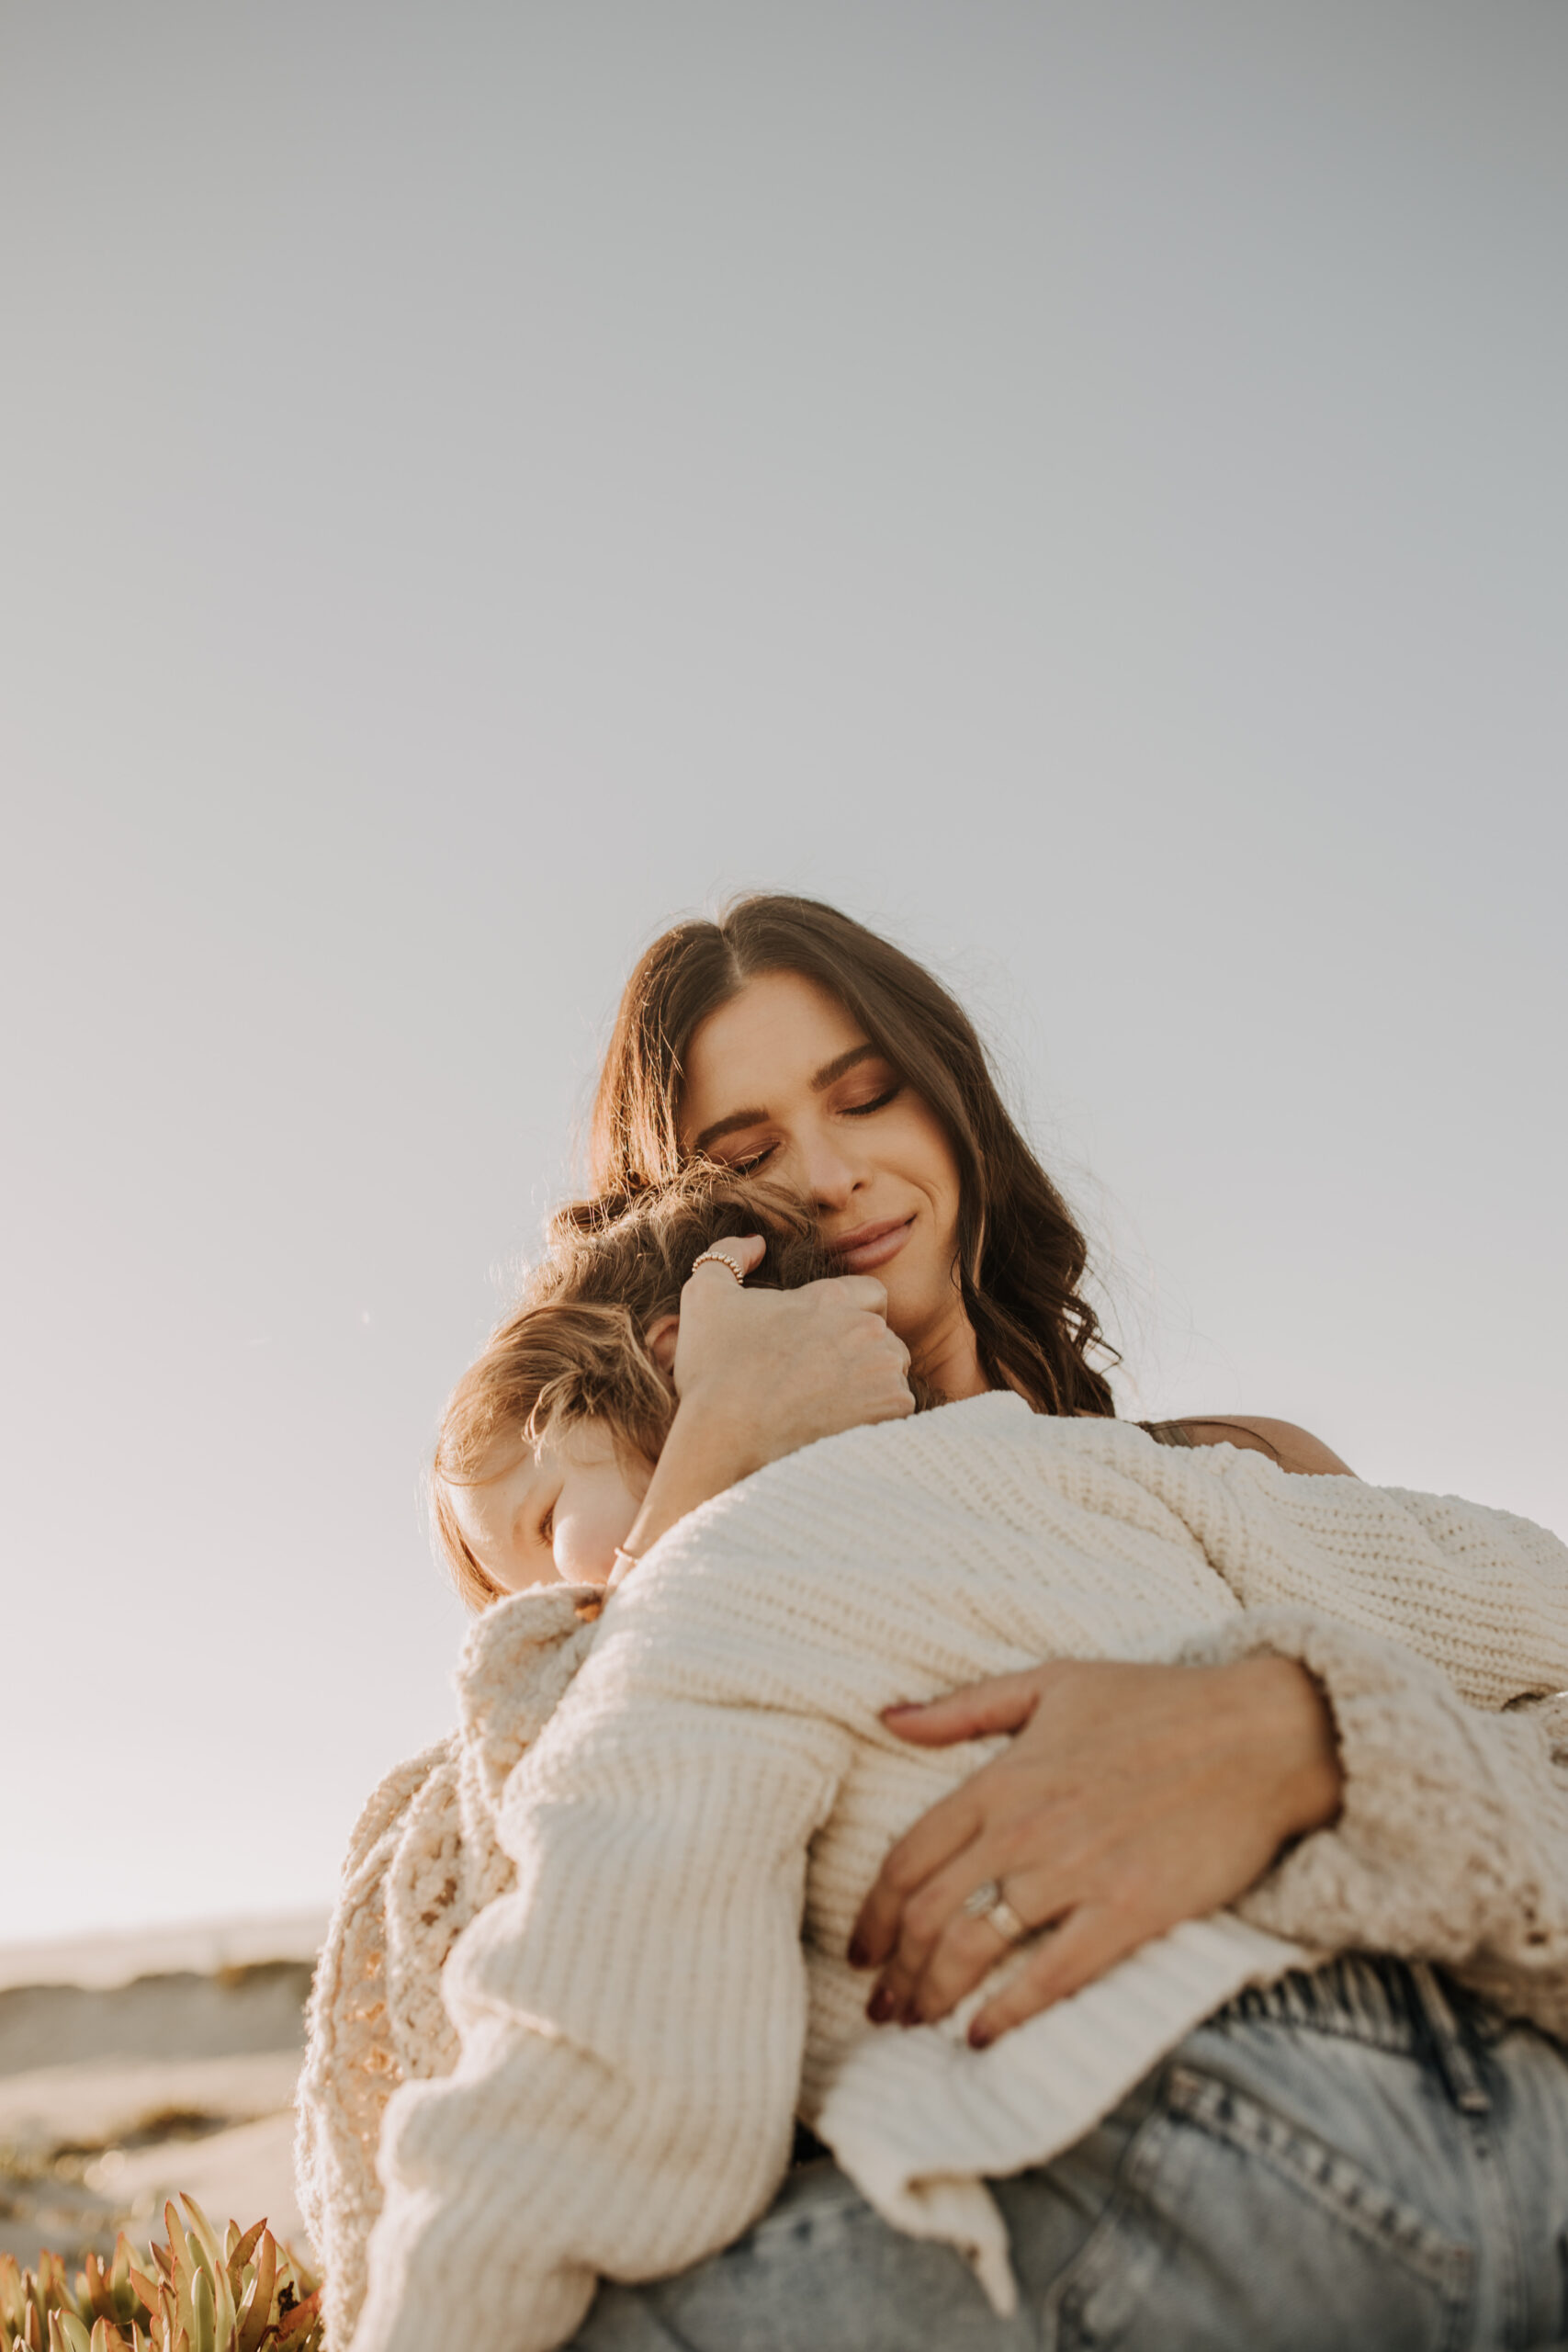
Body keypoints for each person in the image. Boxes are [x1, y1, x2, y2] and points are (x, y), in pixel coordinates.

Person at [332, 1159, 1568, 2352]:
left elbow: (614, 2059)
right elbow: (1519, 1593)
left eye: (546, 1530)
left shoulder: (706, 1599)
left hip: (1223, 2159)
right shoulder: (1098, 1469)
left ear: (678, 1363)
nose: (541, 1613)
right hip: (1511, 2115)